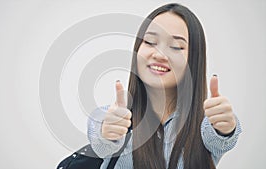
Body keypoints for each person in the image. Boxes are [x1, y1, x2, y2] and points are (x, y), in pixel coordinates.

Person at [88, 3, 241, 169]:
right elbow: (102, 142)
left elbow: (221, 138)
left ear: (194, 60)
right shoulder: (115, 119)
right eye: (150, 42)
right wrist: (108, 132)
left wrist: (225, 128)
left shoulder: (205, 125)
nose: (159, 54)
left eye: (176, 47)